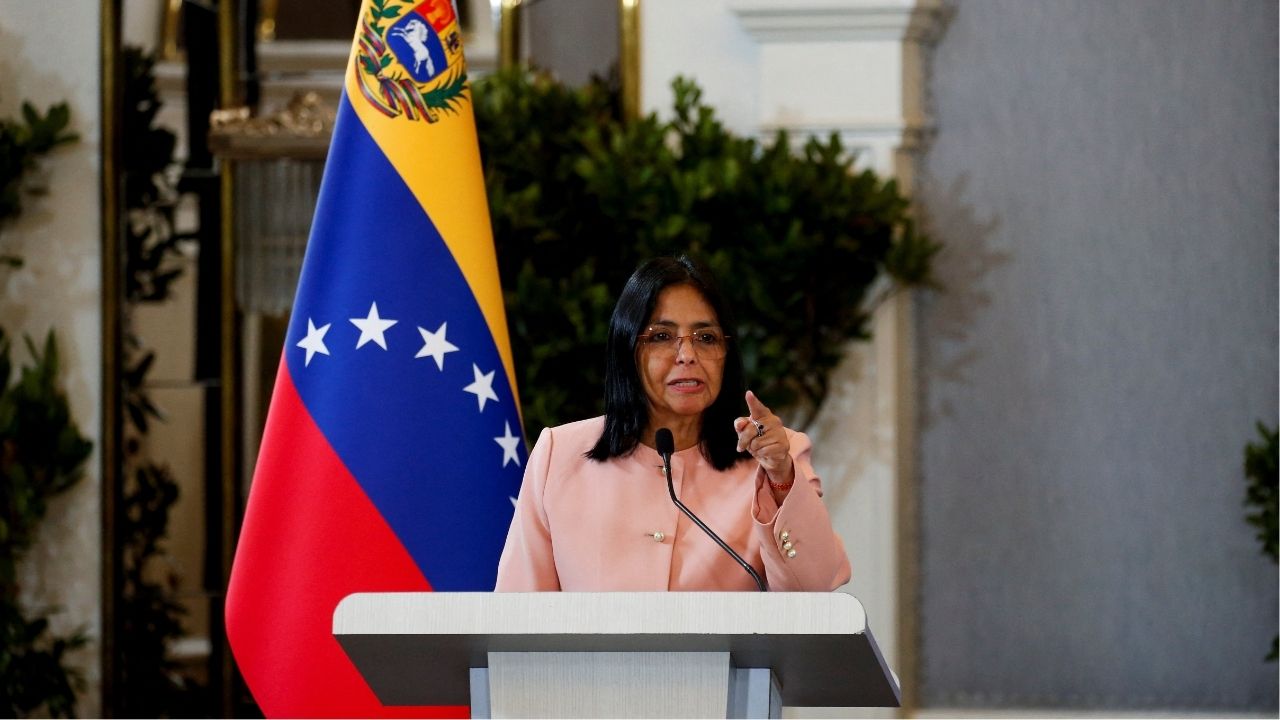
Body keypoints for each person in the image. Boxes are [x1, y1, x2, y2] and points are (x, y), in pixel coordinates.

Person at [495, 256, 850, 591]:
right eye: (662, 336)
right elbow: (518, 613)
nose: (687, 355)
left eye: (706, 338)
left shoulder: (776, 455)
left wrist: (780, 477)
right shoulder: (560, 454)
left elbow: (815, 587)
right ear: (628, 348)